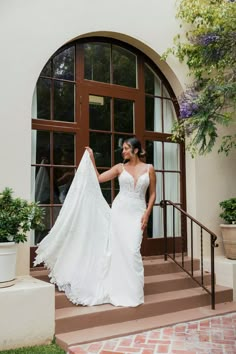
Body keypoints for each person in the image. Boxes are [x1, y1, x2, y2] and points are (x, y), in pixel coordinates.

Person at [34, 137, 156, 307]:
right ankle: (118, 289)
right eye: (123, 148)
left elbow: (152, 194)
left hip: (138, 212)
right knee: (119, 251)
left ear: (136, 150)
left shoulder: (149, 169)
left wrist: (147, 214)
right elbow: (98, 178)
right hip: (119, 212)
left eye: (127, 148)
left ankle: (133, 293)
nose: (123, 151)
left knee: (133, 251)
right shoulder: (119, 168)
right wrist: (91, 158)